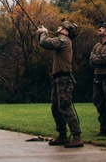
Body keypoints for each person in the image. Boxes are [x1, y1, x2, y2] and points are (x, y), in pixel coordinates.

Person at [37, 20, 83, 148]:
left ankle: (77, 136)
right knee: (56, 108)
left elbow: (44, 42)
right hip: (58, 79)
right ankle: (62, 135)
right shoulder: (62, 40)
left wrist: (44, 33)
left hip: (64, 79)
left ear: (66, 31)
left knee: (65, 107)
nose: (58, 28)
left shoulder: (64, 40)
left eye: (61, 27)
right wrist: (42, 34)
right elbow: (43, 42)